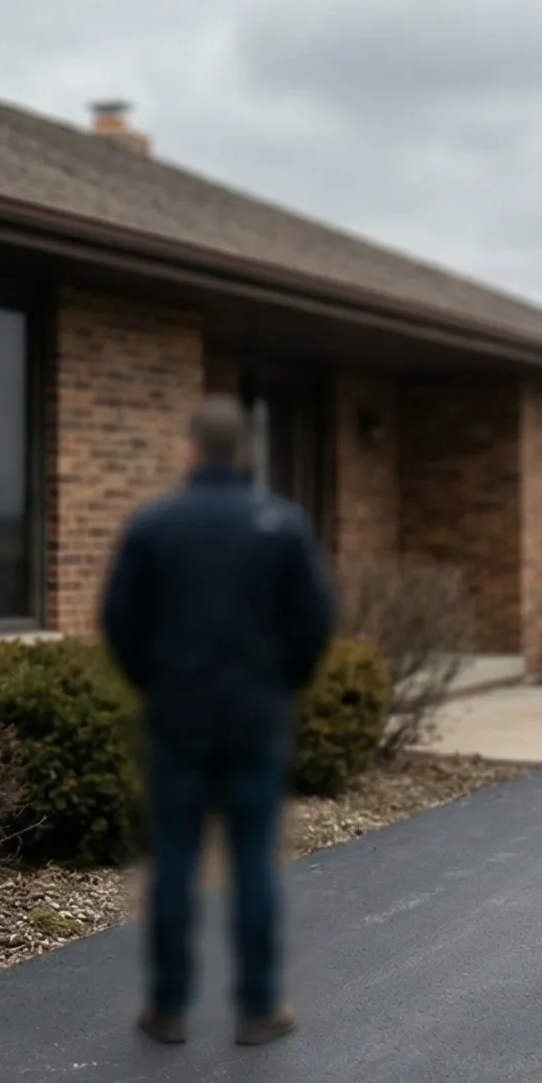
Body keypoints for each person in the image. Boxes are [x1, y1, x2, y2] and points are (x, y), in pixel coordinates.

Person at [100, 396, 336, 1048]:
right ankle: (259, 1008)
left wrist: (153, 680)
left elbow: (119, 620)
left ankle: (168, 1007)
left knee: (174, 860)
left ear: (190, 451)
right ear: (246, 453)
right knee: (253, 862)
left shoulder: (154, 526)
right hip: (256, 719)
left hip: (177, 718)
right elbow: (314, 622)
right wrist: (282, 682)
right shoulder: (281, 525)